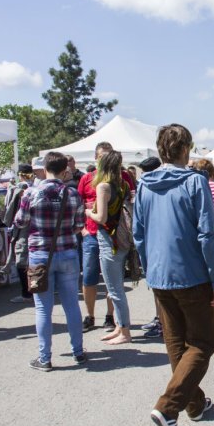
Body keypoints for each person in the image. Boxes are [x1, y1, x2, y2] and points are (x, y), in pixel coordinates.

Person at [133, 124, 214, 426]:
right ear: (185, 148)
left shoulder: (145, 185)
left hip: (160, 274)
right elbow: (207, 235)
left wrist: (150, 270)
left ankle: (195, 405)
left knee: (176, 344)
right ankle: (168, 406)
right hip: (191, 274)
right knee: (201, 343)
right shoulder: (194, 182)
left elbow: (139, 236)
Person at [14, 152, 87, 371]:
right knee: (72, 304)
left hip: (40, 254)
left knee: (43, 308)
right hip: (68, 253)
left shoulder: (32, 193)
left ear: (45, 168)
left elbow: (21, 221)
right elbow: (79, 225)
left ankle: (45, 358)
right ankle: (78, 351)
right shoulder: (72, 194)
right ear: (66, 170)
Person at [77, 141, 135, 333]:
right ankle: (113, 323)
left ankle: (120, 326)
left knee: (114, 286)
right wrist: (84, 229)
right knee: (104, 281)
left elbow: (100, 217)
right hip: (110, 236)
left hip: (107, 236)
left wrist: (88, 212)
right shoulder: (122, 183)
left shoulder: (105, 185)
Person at [136, 156, 164, 339]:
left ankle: (162, 323)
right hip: (162, 240)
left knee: (160, 287)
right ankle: (159, 319)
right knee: (160, 288)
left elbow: (139, 227)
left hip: (153, 242)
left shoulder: (145, 186)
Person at [3, 164, 36, 303]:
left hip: (23, 229)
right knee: (32, 260)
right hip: (36, 229)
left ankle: (27, 293)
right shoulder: (37, 187)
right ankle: (33, 291)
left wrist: (14, 223)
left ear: (20, 174)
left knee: (22, 260)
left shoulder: (20, 189)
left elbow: (14, 212)